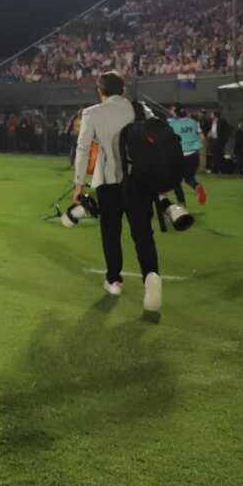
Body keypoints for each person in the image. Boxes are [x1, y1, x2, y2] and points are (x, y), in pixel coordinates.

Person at [72, 71, 162, 312]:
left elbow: (82, 149)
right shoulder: (142, 110)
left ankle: (114, 280)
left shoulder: (92, 113)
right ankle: (151, 276)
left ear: (100, 91)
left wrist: (79, 183)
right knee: (143, 234)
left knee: (111, 233)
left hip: (108, 183)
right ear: (123, 90)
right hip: (140, 182)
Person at [167, 104, 207, 205]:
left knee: (175, 181)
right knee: (189, 178)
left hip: (179, 155)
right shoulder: (194, 122)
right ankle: (197, 187)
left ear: (175, 112)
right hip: (193, 155)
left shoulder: (171, 123)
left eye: (172, 109)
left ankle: (182, 202)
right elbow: (202, 137)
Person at [206, 109, 231, 175]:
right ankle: (215, 169)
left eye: (212, 114)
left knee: (220, 154)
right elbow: (212, 129)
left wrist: (225, 138)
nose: (211, 115)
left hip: (219, 140)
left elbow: (228, 128)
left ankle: (221, 169)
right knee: (214, 155)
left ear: (215, 115)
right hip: (213, 140)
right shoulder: (211, 121)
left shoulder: (221, 121)